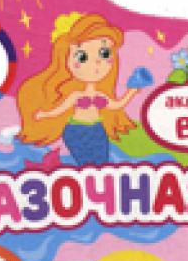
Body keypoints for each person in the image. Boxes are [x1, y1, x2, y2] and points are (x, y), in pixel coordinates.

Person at [17, 11, 138, 167]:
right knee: (86, 164)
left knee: (101, 163)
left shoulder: (101, 95)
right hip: (76, 130)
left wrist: (132, 90)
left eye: (104, 53)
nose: (96, 63)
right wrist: (45, 114)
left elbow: (117, 105)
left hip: (97, 129)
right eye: (82, 57)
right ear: (66, 59)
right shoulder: (76, 95)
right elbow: (60, 109)